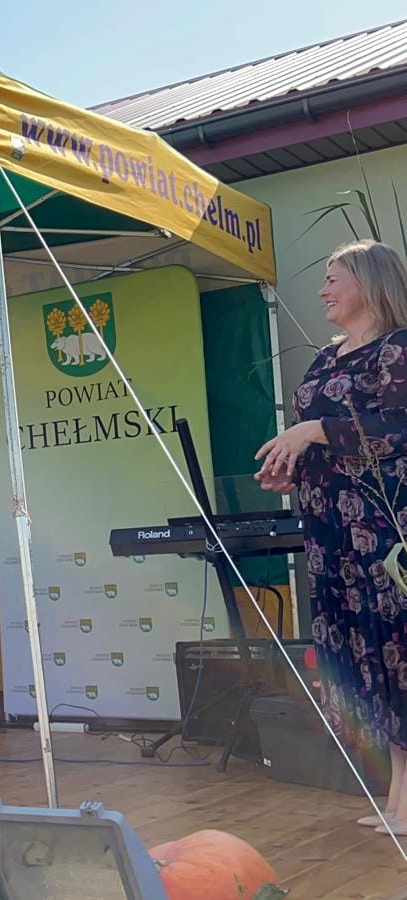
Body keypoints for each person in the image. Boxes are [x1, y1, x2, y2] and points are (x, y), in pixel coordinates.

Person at [256, 239, 407, 836]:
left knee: (395, 649)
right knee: (361, 656)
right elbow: (316, 438)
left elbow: (396, 429)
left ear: (368, 283)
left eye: (332, 278)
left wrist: (316, 429)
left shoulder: (397, 349)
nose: (322, 290)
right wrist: (289, 469)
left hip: (382, 529)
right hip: (330, 533)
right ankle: (398, 798)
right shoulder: (324, 358)